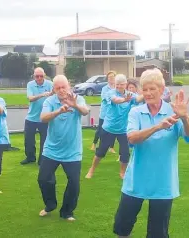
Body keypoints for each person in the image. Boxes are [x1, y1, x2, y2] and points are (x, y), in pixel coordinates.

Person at [113, 68, 189, 237]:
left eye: (153, 88)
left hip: (163, 182)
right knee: (122, 226)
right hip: (136, 180)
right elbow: (132, 138)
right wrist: (158, 126)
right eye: (145, 89)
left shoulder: (174, 111)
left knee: (158, 232)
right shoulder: (136, 112)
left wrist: (185, 117)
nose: (148, 93)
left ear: (162, 90)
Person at [37, 75, 89, 221]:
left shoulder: (77, 98)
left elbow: (85, 111)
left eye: (63, 87)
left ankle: (67, 212)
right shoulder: (49, 101)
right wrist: (58, 111)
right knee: (43, 179)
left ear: (69, 86)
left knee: (74, 183)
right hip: (51, 149)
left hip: (72, 151)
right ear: (54, 89)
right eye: (58, 88)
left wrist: (74, 105)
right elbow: (43, 118)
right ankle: (50, 204)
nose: (61, 90)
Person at [86, 74, 143, 179]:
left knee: (125, 153)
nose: (119, 86)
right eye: (117, 84)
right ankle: (91, 170)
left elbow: (138, 99)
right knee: (101, 152)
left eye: (121, 84)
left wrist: (147, 93)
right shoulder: (111, 92)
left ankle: (122, 173)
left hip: (123, 130)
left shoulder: (130, 94)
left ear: (125, 84)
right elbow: (115, 100)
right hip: (109, 128)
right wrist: (125, 100)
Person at [21, 67, 53, 165]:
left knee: (45, 141)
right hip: (31, 117)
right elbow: (30, 98)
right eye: (37, 76)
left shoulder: (50, 84)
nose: (39, 78)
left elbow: (54, 96)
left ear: (44, 75)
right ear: (34, 76)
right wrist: (42, 94)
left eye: (41, 76)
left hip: (45, 117)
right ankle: (30, 157)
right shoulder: (30, 84)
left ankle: (42, 160)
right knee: (28, 140)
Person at [91, 71, 117, 152]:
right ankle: (94, 144)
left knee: (113, 130)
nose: (111, 79)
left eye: (113, 77)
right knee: (100, 129)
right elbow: (106, 98)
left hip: (114, 113)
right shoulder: (104, 89)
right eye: (110, 77)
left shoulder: (117, 88)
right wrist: (115, 99)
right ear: (108, 79)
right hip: (104, 113)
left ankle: (111, 147)